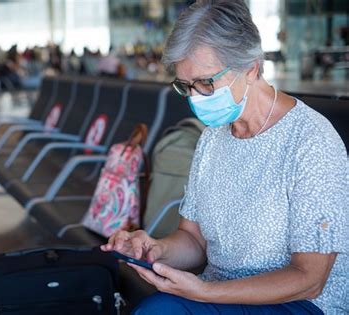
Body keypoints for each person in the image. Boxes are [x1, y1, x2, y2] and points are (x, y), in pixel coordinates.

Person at [101, 1, 347, 314]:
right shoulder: (213, 138)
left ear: (252, 68)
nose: (195, 97)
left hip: (298, 303)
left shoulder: (310, 142)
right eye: (186, 86)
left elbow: (310, 278)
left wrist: (206, 291)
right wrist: (155, 249)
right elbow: (194, 239)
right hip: (218, 291)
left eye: (206, 83)